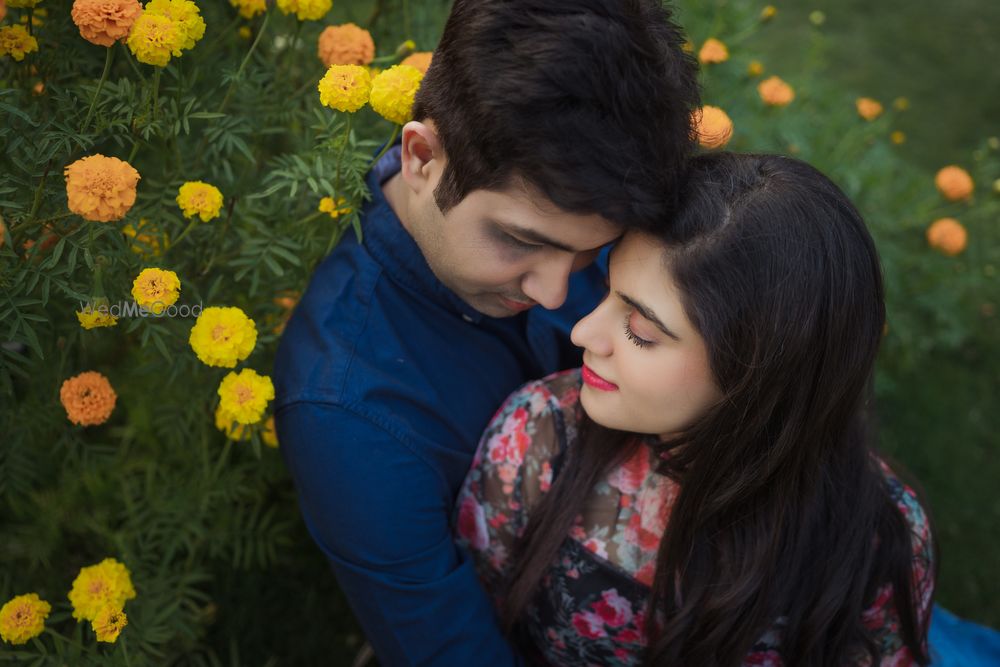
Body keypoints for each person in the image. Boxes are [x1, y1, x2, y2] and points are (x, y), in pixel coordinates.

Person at [271, 0, 700, 663]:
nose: (557, 294)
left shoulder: (601, 186)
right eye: (518, 241)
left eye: (592, 255)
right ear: (421, 156)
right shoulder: (349, 414)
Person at [454, 152, 937, 666]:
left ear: (758, 378)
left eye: (641, 331)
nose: (583, 333)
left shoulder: (879, 547)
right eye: (606, 290)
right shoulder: (537, 439)